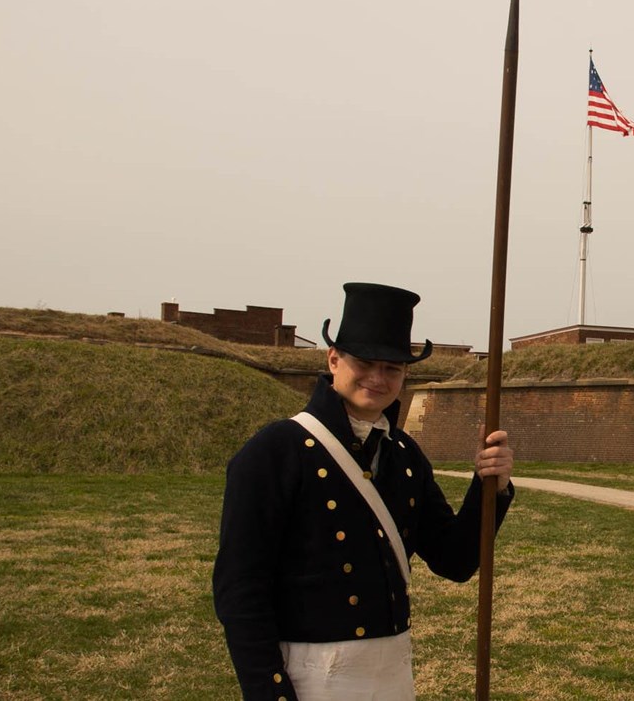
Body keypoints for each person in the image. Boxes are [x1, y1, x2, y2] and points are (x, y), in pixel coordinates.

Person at [213, 283, 515, 700]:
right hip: (309, 677)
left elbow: (455, 560)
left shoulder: (405, 455)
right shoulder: (274, 451)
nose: (378, 377)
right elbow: (240, 588)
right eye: (365, 362)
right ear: (333, 359)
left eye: (392, 367)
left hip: (391, 672)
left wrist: (490, 488)